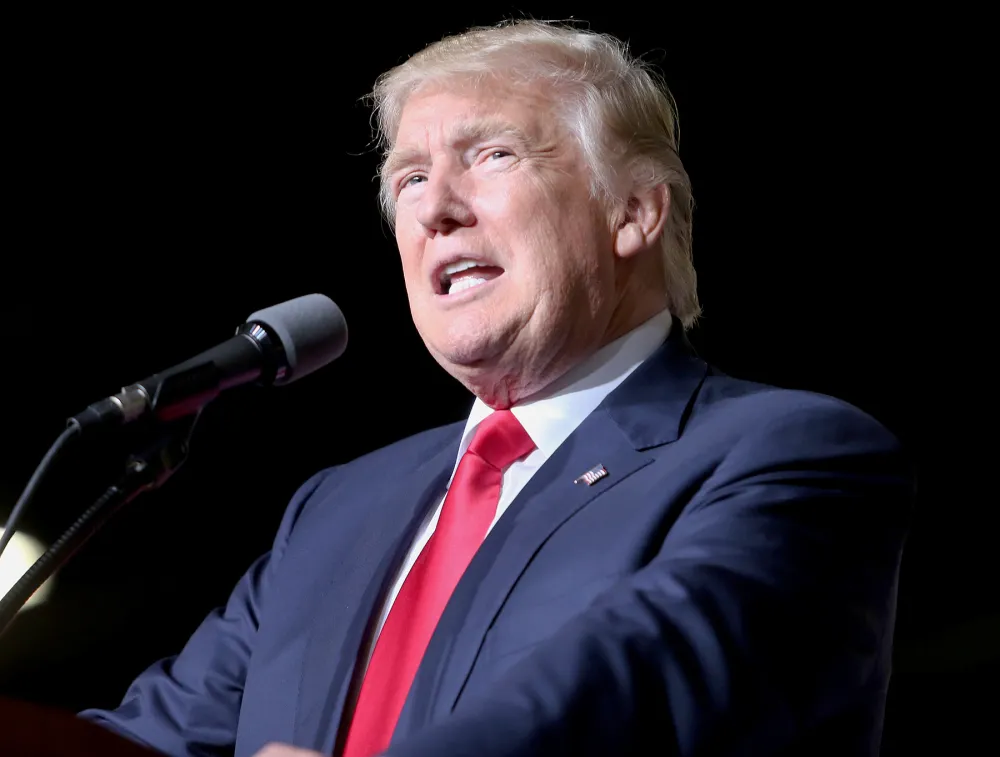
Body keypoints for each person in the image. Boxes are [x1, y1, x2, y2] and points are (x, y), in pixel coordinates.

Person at [80, 19, 912, 757]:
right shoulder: (333, 512)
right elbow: (150, 736)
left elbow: (627, 696)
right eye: (407, 179)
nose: (435, 208)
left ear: (633, 213)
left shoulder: (788, 455)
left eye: (493, 155)